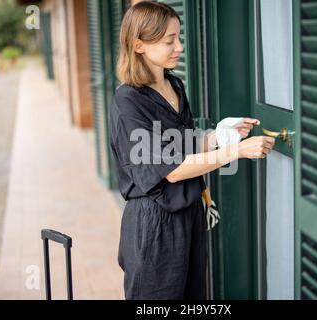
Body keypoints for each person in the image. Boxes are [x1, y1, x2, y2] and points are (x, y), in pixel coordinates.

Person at [109, 1, 275, 300]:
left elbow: (180, 146)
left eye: (179, 37)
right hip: (154, 222)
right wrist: (236, 153)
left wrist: (218, 136)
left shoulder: (174, 84)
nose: (180, 47)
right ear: (139, 45)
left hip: (190, 212)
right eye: (170, 40)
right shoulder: (128, 103)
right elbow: (169, 169)